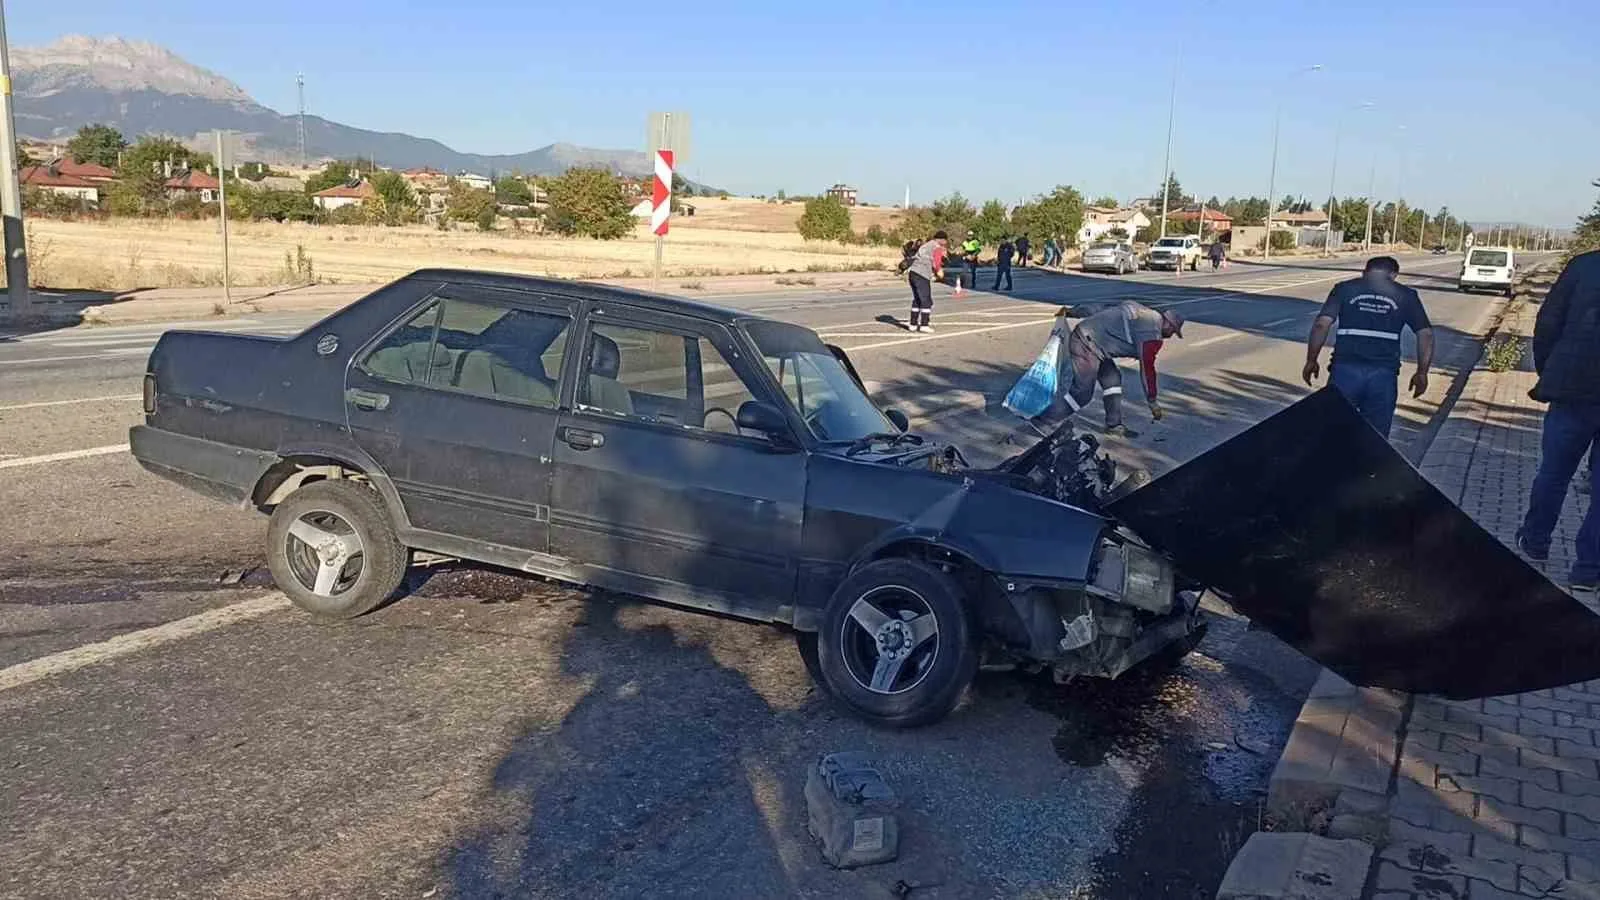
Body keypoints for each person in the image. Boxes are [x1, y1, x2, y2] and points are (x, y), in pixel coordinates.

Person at [1515, 249, 1600, 594]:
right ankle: (1588, 570)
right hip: (1572, 387)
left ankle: (1534, 543)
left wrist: (1550, 369)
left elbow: (1548, 321)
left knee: (1553, 473)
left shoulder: (1584, 265)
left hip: (1572, 388)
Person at [1302, 256, 1435, 439]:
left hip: (1344, 372)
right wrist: (1422, 372)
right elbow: (1425, 334)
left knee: (1332, 432)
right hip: (1383, 376)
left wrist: (1311, 360)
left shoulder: (1344, 289)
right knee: (1375, 438)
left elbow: (1321, 325)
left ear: (1364, 272)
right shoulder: (1406, 295)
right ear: (1394, 275)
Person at [1053, 300, 1184, 437]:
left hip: (1096, 346)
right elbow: (1147, 369)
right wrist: (1152, 401)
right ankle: (1046, 420)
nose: (1170, 336)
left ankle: (1114, 425)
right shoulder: (1152, 335)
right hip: (1086, 345)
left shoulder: (1138, 309)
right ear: (1169, 324)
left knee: (1113, 380)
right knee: (1082, 394)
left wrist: (1072, 311)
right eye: (1173, 331)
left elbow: (1101, 308)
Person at [905, 231, 947, 333]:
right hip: (922, 274)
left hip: (913, 273)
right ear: (941, 239)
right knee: (926, 300)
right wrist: (939, 272)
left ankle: (913, 324)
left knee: (917, 299)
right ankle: (924, 324)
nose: (945, 242)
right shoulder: (937, 247)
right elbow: (936, 263)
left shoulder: (926, 245)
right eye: (945, 240)